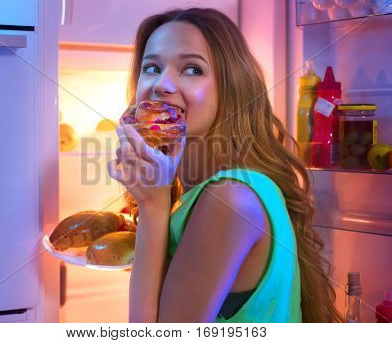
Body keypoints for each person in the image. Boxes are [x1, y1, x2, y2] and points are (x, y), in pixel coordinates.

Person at [108, 7, 342, 323]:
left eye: (192, 69)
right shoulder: (209, 192)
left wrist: (153, 204)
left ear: (232, 88)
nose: (162, 84)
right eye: (151, 67)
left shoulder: (229, 200)